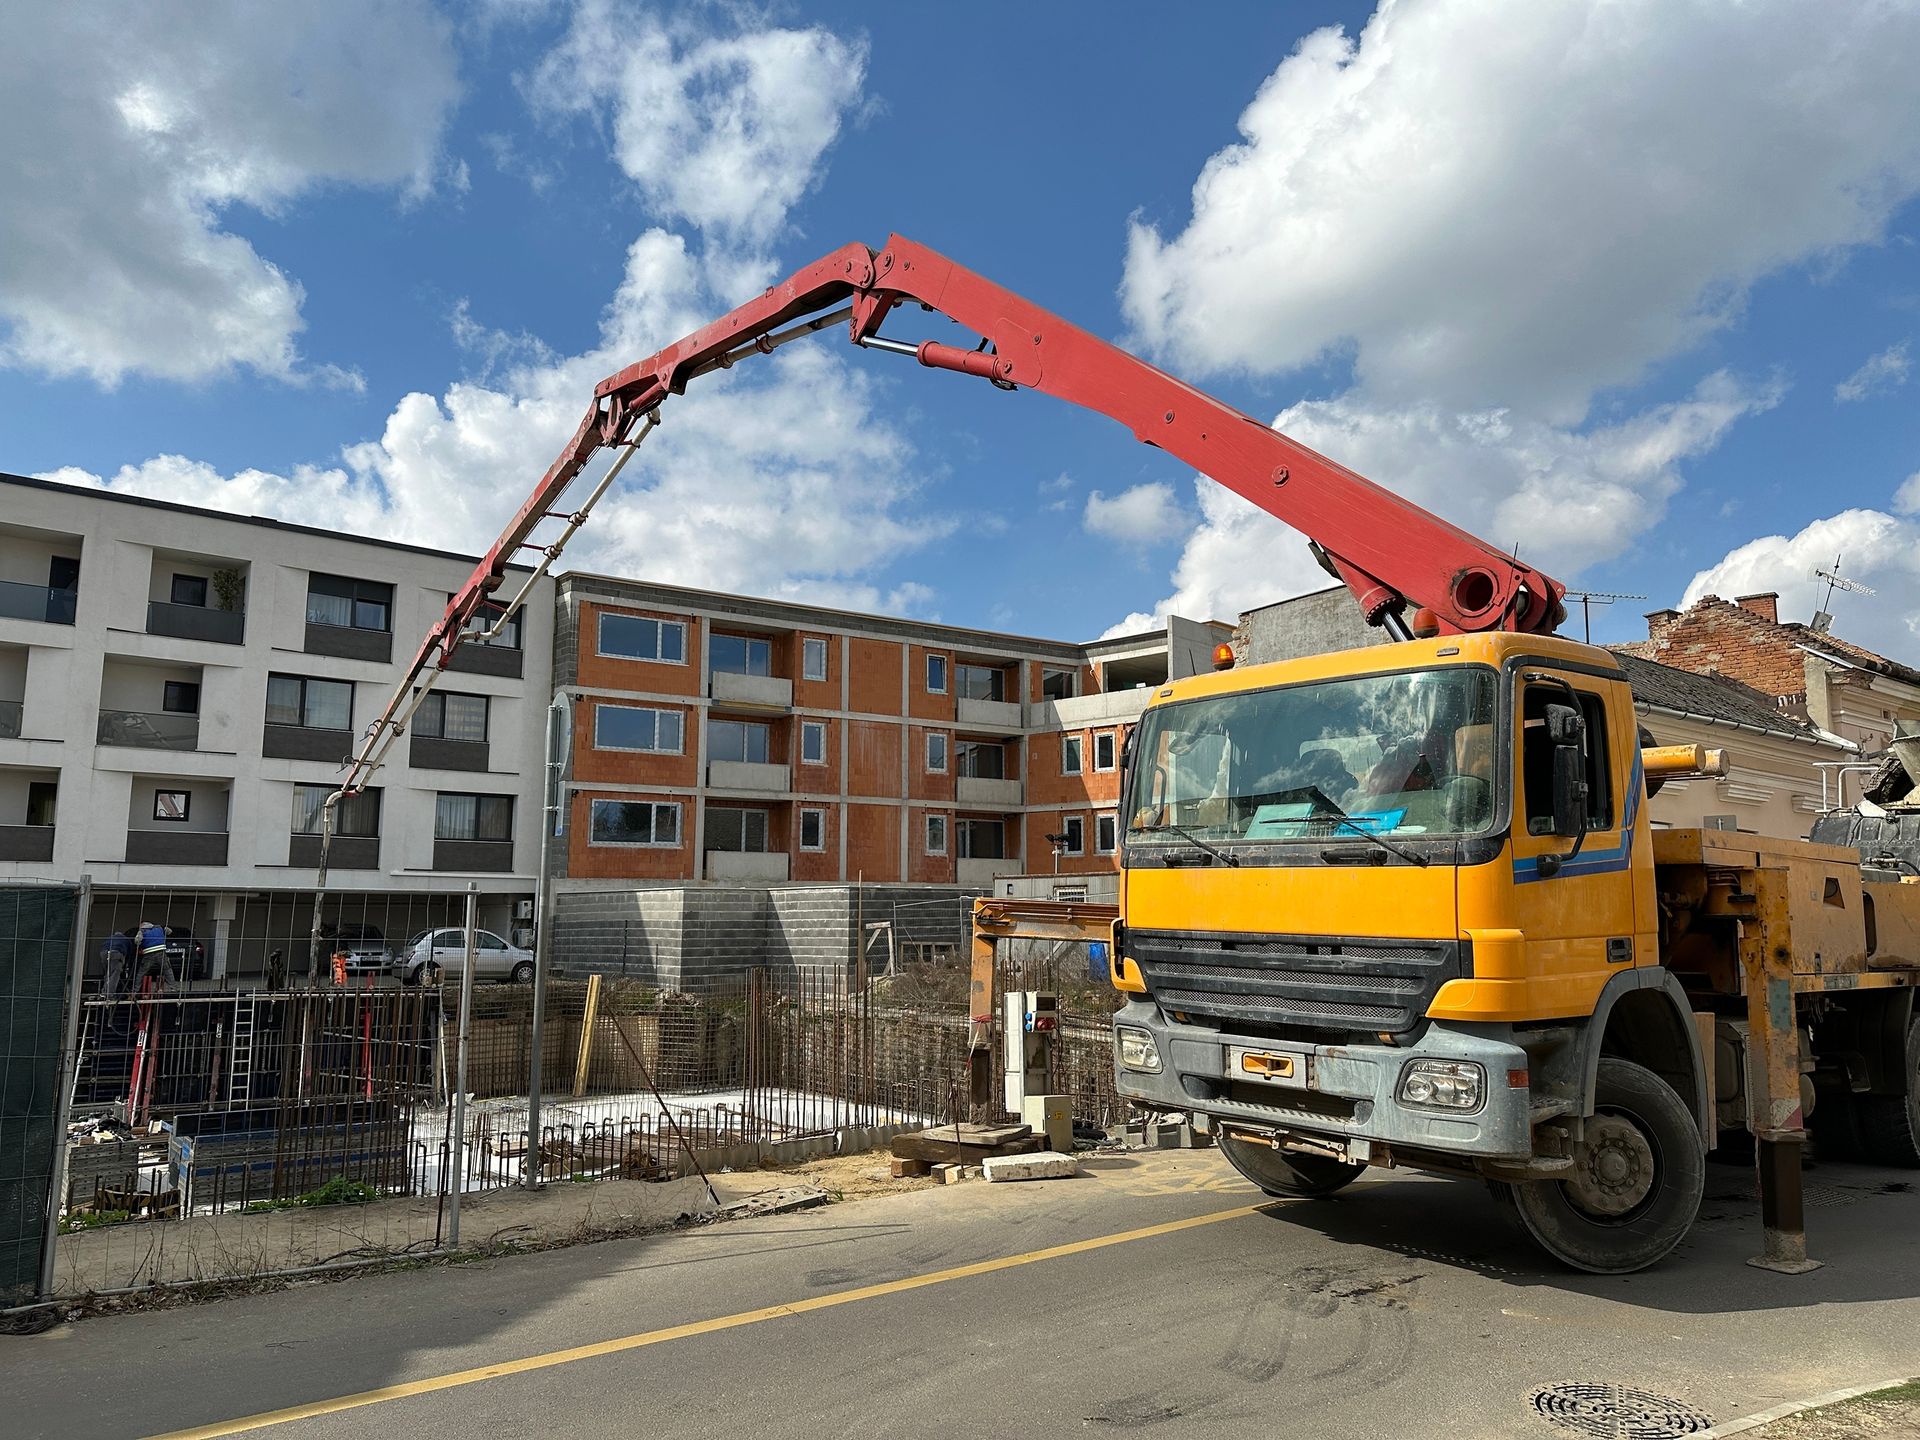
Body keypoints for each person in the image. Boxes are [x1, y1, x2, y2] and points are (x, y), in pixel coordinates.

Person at [135, 918, 175, 992]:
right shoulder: (159, 928)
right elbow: (169, 931)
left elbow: (137, 941)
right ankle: (173, 988)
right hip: (161, 952)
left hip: (149, 953)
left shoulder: (142, 931)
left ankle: (135, 990)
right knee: (167, 970)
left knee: (141, 972)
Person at [99, 929, 134, 1001]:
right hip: (116, 953)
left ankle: (103, 993)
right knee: (115, 975)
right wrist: (124, 966)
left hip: (103, 953)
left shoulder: (110, 937)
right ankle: (110, 995)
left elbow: (102, 946)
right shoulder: (126, 940)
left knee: (107, 974)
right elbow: (129, 955)